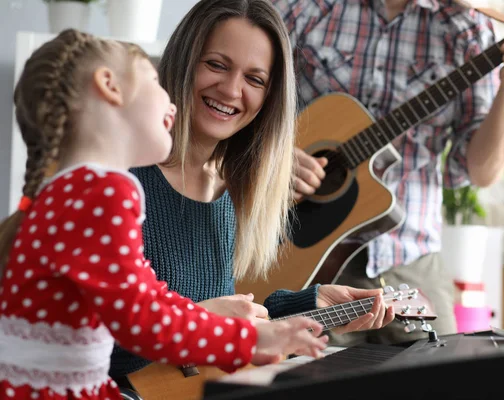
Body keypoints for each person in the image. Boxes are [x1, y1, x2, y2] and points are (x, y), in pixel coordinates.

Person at [0, 29, 329, 400]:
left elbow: (151, 298)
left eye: (255, 79)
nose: (170, 104)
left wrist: (264, 329)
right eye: (155, 81)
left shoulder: (67, 190)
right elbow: (141, 319)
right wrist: (247, 340)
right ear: (110, 85)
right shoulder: (107, 191)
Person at [109, 0, 396, 382]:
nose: (231, 90)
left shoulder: (229, 194)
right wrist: (200, 319)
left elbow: (229, 331)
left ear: (269, 99)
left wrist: (315, 304)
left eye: (255, 80)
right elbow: (90, 343)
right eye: (216, 65)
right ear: (182, 60)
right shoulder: (120, 180)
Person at [273, 0, 504, 345]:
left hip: (410, 259)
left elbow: (482, 172)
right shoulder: (300, 6)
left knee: (441, 380)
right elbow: (241, 105)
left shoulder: (466, 28)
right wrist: (275, 158)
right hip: (296, 254)